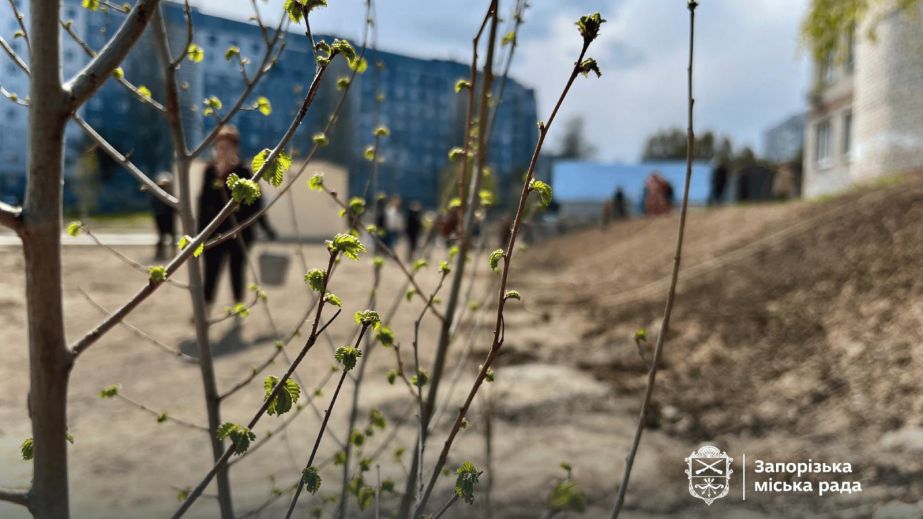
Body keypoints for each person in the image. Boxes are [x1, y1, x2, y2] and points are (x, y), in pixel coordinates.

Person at [197, 125, 276, 315]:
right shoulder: (209, 172)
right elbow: (202, 202)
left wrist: (266, 228)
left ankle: (238, 305)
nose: (222, 151)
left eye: (226, 147)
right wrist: (199, 235)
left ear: (235, 148)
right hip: (214, 233)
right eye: (219, 147)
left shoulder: (244, 172)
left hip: (239, 233)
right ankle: (205, 309)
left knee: (236, 270)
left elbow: (257, 203)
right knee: (211, 271)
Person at [150, 172, 175, 260]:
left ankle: (174, 253)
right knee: (161, 237)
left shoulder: (170, 195)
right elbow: (155, 206)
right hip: (160, 217)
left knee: (172, 235)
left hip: (169, 217)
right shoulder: (156, 196)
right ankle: (160, 254)